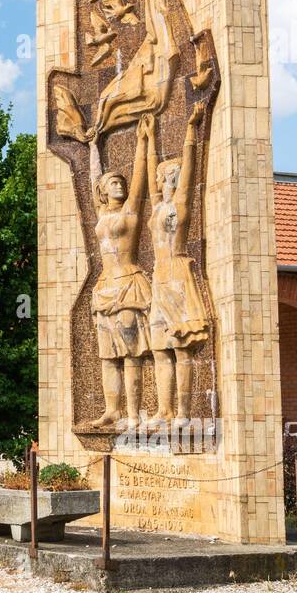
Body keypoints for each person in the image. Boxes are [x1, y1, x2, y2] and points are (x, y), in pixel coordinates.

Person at [144, 102, 210, 425]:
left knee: (182, 348)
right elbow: (148, 170)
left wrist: (190, 128)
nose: (159, 180)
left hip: (179, 275)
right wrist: (150, 138)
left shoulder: (179, 202)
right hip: (159, 277)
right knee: (159, 348)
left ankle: (183, 413)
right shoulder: (156, 207)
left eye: (165, 176)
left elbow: (190, 168)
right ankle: (164, 409)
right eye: (158, 176)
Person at [88, 114, 154, 427]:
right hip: (105, 288)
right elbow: (93, 177)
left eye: (121, 182)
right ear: (103, 191)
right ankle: (112, 410)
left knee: (131, 353)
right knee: (107, 355)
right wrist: (93, 145)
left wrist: (142, 142)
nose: (120, 184)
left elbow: (139, 179)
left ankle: (133, 413)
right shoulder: (101, 211)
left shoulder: (130, 210)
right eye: (113, 182)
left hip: (129, 285)